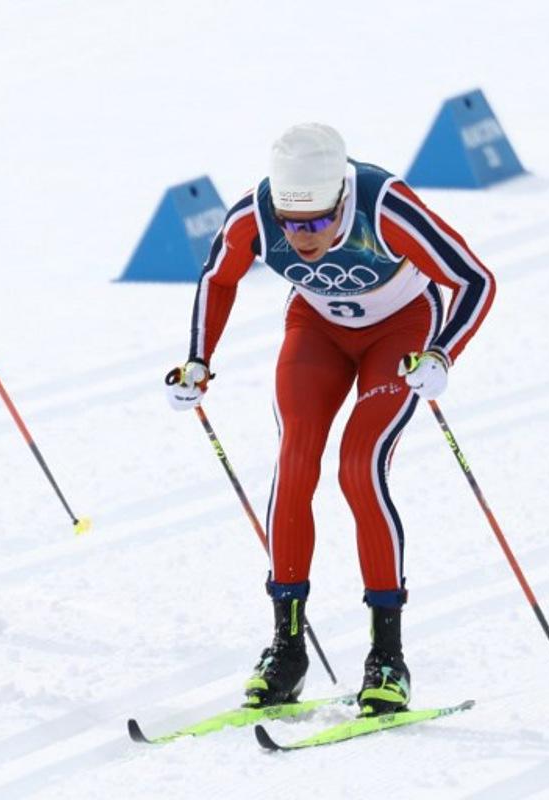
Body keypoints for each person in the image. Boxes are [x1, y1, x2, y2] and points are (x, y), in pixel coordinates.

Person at [164, 123, 495, 715]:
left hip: (401, 329)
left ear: (341, 199)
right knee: (294, 462)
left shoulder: (384, 205)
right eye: (293, 226)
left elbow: (474, 278)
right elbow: (218, 277)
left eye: (317, 222)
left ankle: (387, 658)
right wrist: (196, 362)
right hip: (316, 329)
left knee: (358, 467)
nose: (303, 237)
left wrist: (443, 352)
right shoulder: (257, 216)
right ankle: (287, 650)